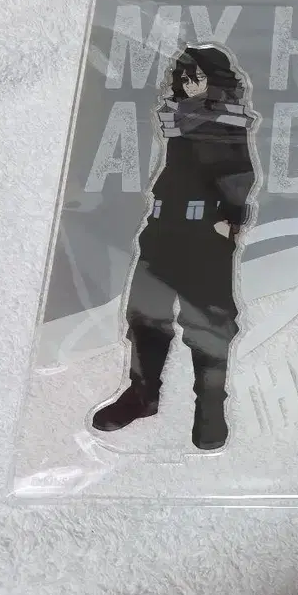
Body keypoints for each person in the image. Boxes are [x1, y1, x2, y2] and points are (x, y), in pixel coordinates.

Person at [92, 45, 258, 450]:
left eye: (195, 75)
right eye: (183, 76)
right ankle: (142, 394)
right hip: (163, 227)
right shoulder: (182, 119)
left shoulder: (226, 120)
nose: (187, 82)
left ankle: (210, 408)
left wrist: (230, 219)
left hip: (204, 232)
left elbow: (240, 172)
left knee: (209, 321)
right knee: (145, 314)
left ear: (214, 79)